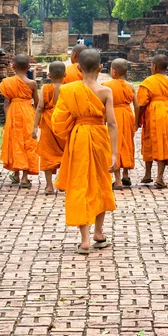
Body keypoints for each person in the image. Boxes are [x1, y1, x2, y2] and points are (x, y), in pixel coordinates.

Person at [52, 49, 118, 254]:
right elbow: (113, 124)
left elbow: (58, 121)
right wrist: (115, 153)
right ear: (101, 68)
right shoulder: (106, 91)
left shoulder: (69, 90)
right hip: (100, 137)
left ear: (78, 68)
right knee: (101, 182)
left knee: (80, 183)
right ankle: (99, 232)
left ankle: (85, 239)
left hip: (78, 137)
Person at [0, 54, 39, 188]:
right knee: (28, 143)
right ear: (28, 67)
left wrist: (7, 119)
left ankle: (16, 174)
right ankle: (25, 178)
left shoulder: (7, 82)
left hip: (13, 113)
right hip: (28, 113)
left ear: (13, 66)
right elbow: (37, 103)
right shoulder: (32, 83)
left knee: (15, 142)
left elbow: (5, 103)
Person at [137, 54, 168, 189]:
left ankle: (147, 174)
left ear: (154, 66)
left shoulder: (148, 82)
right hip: (167, 112)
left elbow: (141, 104)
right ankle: (159, 177)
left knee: (149, 140)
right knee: (164, 142)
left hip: (152, 114)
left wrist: (137, 119)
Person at [103, 58, 139, 189]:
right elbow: (137, 105)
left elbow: (103, 105)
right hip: (128, 114)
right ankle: (125, 174)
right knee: (127, 143)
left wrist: (103, 120)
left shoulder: (106, 85)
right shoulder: (130, 86)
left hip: (114, 115)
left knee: (115, 145)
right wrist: (137, 122)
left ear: (113, 71)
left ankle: (117, 180)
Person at [32, 61, 66, 195]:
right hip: (63, 123)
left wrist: (34, 127)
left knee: (47, 154)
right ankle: (63, 183)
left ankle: (49, 186)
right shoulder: (68, 88)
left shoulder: (46, 88)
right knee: (65, 154)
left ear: (49, 75)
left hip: (47, 124)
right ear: (65, 75)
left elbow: (39, 108)